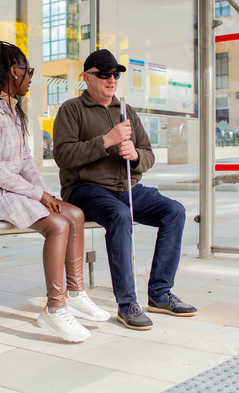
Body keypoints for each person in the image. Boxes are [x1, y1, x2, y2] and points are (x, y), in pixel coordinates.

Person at [0, 40, 109, 343]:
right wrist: (37, 196)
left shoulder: (11, 110)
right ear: (13, 71)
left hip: (7, 188)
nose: (31, 77)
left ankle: (76, 292)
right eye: (29, 71)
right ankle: (55, 308)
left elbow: (27, 162)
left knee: (74, 214)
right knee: (56, 225)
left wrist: (46, 194)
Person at [53, 49, 197, 331]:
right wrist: (105, 140)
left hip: (127, 187)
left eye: (115, 74)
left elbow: (148, 153)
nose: (111, 79)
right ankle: (127, 303)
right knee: (119, 215)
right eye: (104, 74)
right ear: (87, 77)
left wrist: (135, 156)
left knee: (174, 211)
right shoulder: (71, 109)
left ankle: (159, 294)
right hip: (86, 189)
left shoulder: (125, 110)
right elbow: (63, 156)